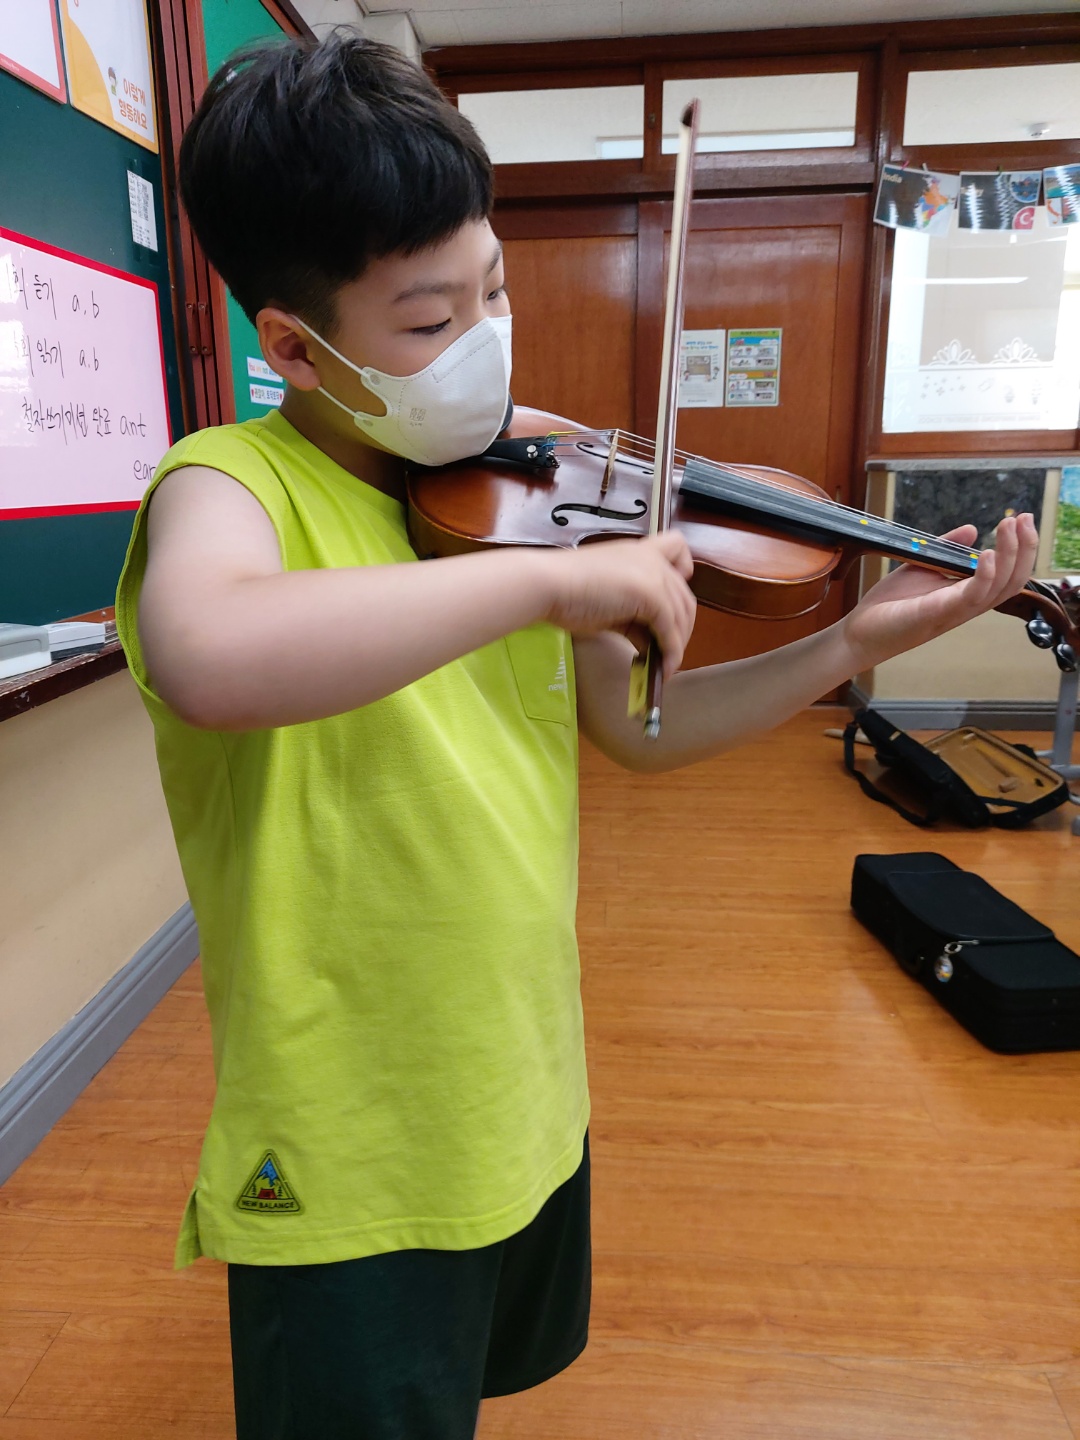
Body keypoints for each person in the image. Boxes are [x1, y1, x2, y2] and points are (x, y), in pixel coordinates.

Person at [114, 32, 1038, 1440]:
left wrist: (851, 642)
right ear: (292, 345)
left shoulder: (518, 495)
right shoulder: (231, 486)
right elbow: (207, 653)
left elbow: (642, 732)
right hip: (349, 1136)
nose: (484, 342)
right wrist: (546, 587)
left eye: (494, 289)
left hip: (516, 1082)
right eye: (430, 322)